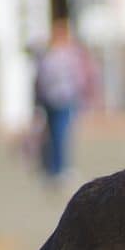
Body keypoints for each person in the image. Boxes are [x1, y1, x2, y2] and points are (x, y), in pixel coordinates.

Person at [34, 18, 96, 187]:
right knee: (55, 134)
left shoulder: (71, 53)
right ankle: (56, 168)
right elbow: (40, 77)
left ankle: (60, 167)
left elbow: (82, 74)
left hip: (66, 97)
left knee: (62, 134)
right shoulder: (49, 53)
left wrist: (85, 91)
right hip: (51, 98)